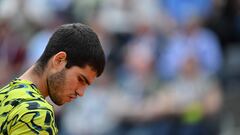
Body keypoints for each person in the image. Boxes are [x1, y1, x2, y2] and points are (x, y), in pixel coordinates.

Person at [0, 23, 106, 135]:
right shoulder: (37, 113)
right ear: (59, 60)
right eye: (80, 79)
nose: (81, 92)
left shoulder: (4, 94)